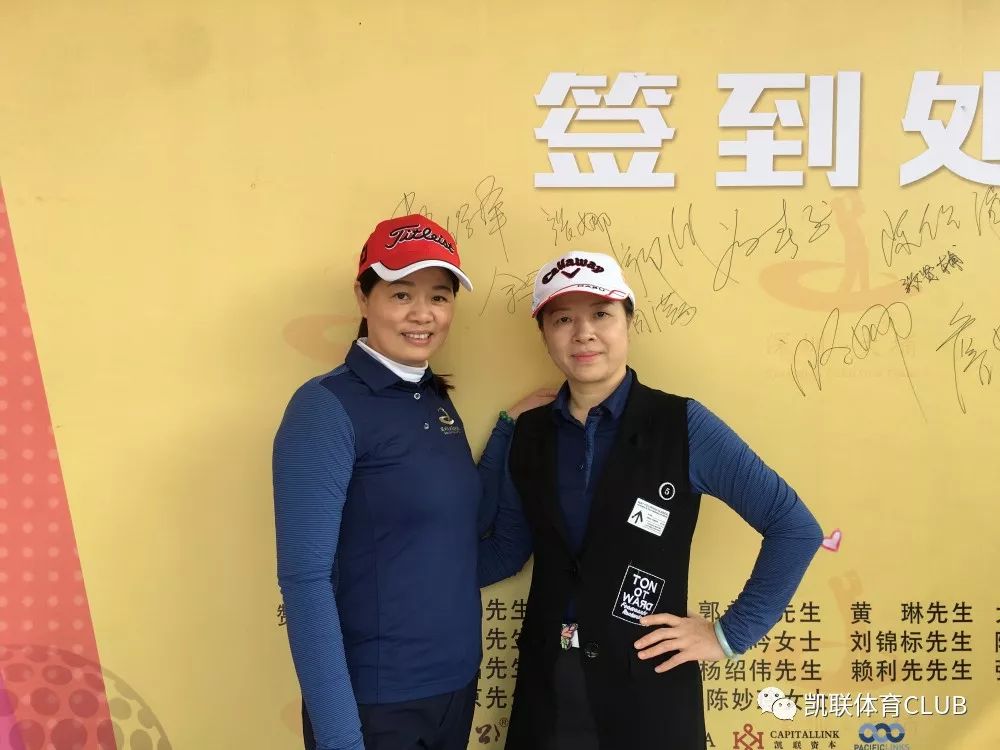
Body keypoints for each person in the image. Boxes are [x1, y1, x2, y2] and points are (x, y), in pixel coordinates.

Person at [478, 251, 825, 750]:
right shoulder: (529, 434)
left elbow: (794, 527)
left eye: (601, 314)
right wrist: (403, 578)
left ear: (629, 322)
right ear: (544, 334)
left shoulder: (682, 425)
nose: (583, 333)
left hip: (648, 691)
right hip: (547, 691)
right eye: (563, 319)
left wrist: (730, 634)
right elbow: (506, 551)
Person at [273, 214, 550, 750]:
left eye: (439, 297)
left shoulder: (433, 400)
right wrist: (339, 736)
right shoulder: (324, 408)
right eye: (401, 294)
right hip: (376, 707)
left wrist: (508, 432)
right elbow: (305, 581)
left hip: (454, 690)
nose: (423, 314)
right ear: (363, 297)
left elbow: (458, 538)